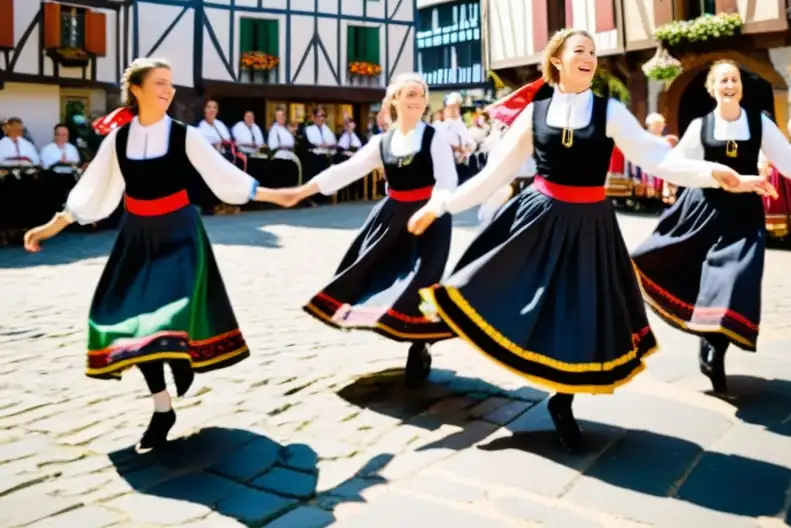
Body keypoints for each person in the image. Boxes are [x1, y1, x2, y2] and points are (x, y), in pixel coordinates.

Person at [406, 30, 748, 453]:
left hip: (590, 226)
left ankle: (562, 403)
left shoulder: (610, 111)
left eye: (593, 52)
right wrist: (440, 206)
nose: (589, 57)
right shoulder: (534, 114)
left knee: (583, 313)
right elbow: (492, 175)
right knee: (499, 291)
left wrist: (714, 172)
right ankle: (440, 337)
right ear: (558, 60)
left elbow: (658, 157)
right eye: (579, 51)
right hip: (539, 220)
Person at [22, 58, 290, 450]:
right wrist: (52, 225)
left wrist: (275, 194)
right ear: (137, 89)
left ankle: (180, 357)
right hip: (137, 237)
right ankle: (162, 408)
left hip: (180, 234)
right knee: (131, 321)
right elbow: (93, 191)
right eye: (160, 83)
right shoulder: (118, 140)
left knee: (170, 312)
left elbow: (224, 176)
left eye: (171, 84)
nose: (169, 90)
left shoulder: (185, 135)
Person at [631, 60, 791, 395]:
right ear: (712, 88)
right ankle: (708, 338)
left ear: (741, 88)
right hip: (703, 209)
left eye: (734, 79)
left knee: (734, 281)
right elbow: (674, 166)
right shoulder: (701, 126)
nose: (729, 84)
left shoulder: (758, 122)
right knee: (693, 275)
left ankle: (715, 347)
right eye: (722, 80)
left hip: (744, 215)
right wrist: (718, 174)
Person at [271, 74, 458, 386]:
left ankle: (419, 344)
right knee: (375, 272)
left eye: (421, 95)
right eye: (410, 93)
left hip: (429, 217)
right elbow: (347, 170)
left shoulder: (434, 137)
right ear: (395, 99)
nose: (417, 99)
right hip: (393, 216)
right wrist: (302, 191)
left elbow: (447, 180)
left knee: (422, 281)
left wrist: (433, 208)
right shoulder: (382, 142)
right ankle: (389, 322)